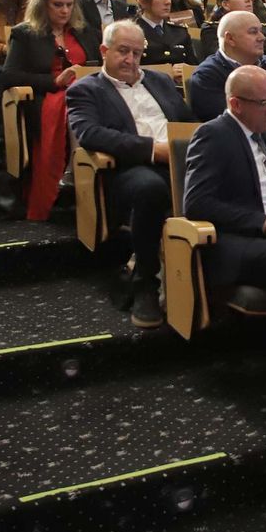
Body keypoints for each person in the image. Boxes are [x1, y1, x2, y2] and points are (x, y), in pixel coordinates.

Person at [67, 20, 194, 325]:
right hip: (128, 169)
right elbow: (91, 134)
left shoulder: (160, 82)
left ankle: (206, 280)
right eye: (123, 51)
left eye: (137, 53)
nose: (131, 60)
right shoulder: (87, 89)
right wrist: (152, 149)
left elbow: (189, 121)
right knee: (150, 189)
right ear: (104, 51)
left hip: (177, 160)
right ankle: (145, 284)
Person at [183, 64, 266, 317]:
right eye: (265, 103)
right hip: (238, 240)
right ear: (236, 104)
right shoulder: (212, 135)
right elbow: (197, 203)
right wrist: (263, 223)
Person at [0, 0, 93, 220]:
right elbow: (8, 76)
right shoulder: (25, 33)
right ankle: (73, 173)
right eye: (57, 5)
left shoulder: (84, 32)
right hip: (44, 97)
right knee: (73, 102)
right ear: (43, 4)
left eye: (69, 5)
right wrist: (54, 81)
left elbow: (98, 65)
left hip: (85, 93)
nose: (64, 11)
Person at [188, 10, 266, 121]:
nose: (262, 37)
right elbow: (232, 118)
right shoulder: (206, 76)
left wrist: (258, 105)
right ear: (230, 39)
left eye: (261, 31)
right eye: (253, 32)